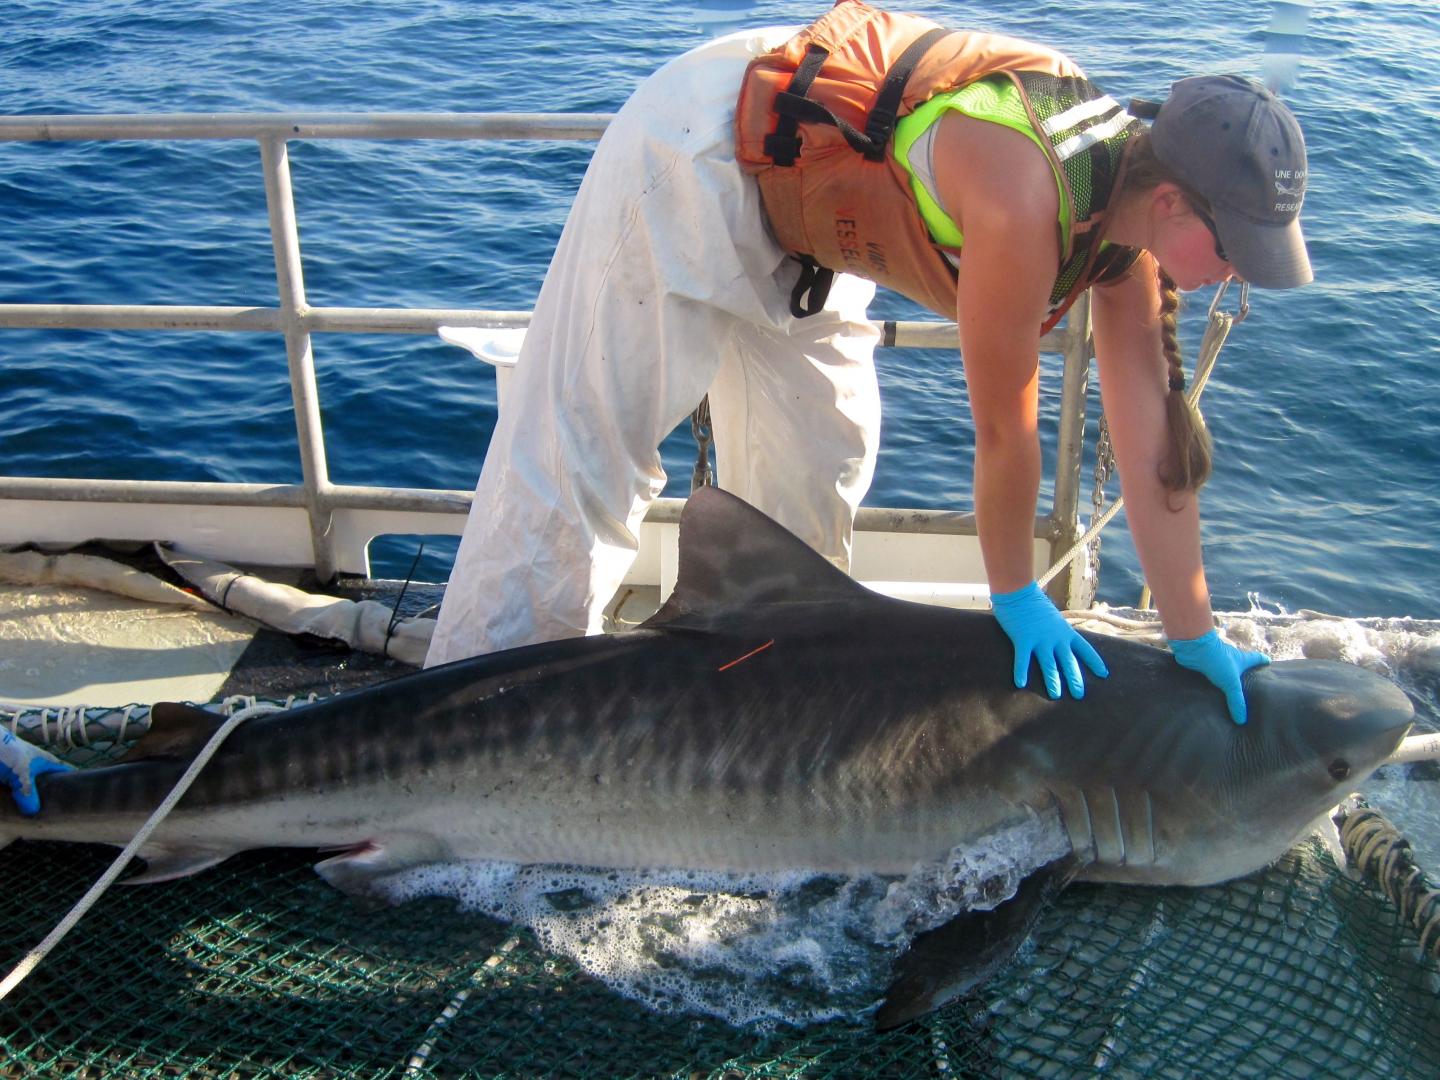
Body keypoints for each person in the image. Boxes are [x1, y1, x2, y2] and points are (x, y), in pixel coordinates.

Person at [425, 0, 1310, 727]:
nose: (1238, 276)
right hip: (704, 154)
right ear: (1170, 201)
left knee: (815, 482)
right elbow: (1006, 430)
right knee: (587, 455)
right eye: (1236, 250)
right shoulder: (1024, 196)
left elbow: (1155, 449)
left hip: (822, 231)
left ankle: (748, 735)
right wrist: (1014, 597)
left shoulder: (1128, 234)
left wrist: (1193, 635)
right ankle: (460, 723)